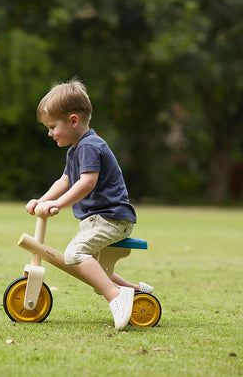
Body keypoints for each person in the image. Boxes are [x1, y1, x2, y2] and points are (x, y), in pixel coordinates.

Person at [26, 78, 153, 331]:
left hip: (112, 218)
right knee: (92, 271)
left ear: (73, 120)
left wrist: (58, 205)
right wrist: (43, 200)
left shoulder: (89, 146)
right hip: (100, 219)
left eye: (52, 126)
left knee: (75, 254)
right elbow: (65, 180)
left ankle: (116, 296)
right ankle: (134, 290)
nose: (49, 133)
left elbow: (86, 183)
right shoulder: (75, 149)